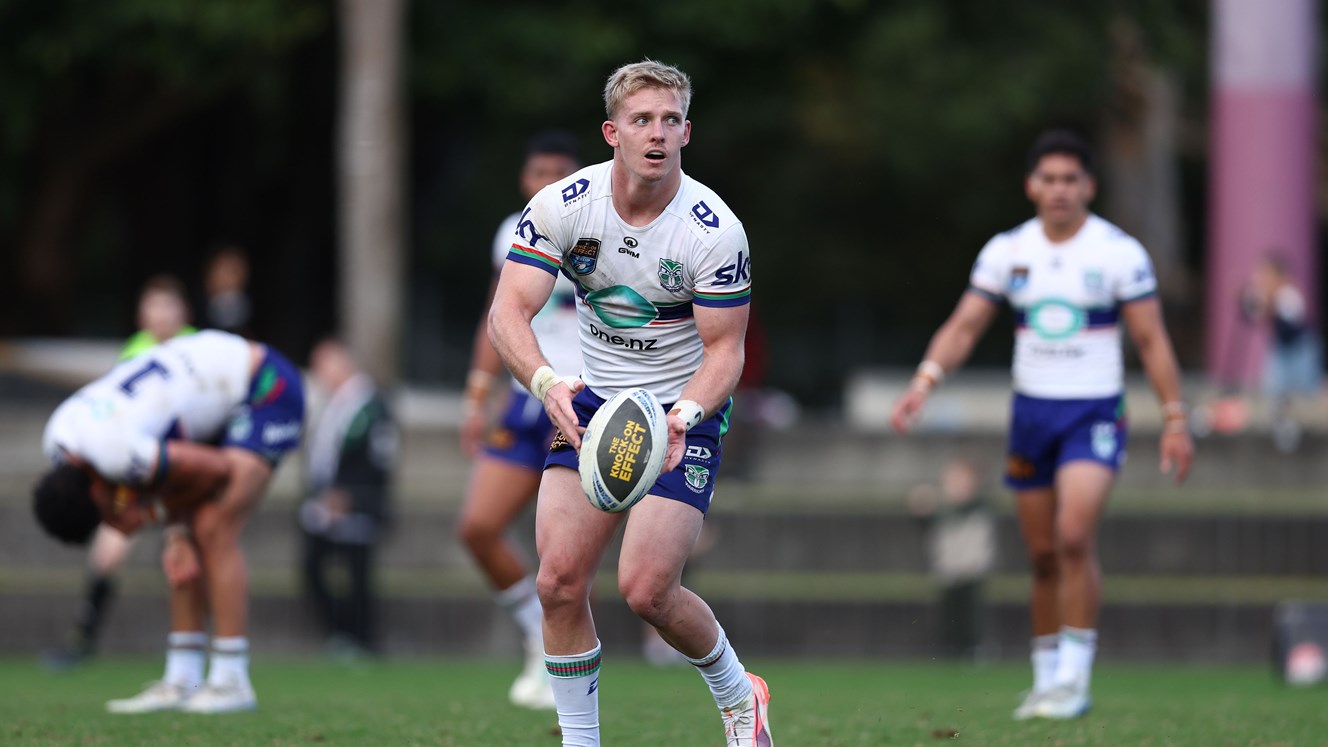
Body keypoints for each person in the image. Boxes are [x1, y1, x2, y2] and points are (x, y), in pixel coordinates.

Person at [488, 60, 771, 746]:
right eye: (642, 120)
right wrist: (548, 383)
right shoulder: (564, 206)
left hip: (682, 412)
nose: (658, 133)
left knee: (647, 590)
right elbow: (507, 313)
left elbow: (726, 352)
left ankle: (740, 694)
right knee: (557, 583)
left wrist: (685, 417)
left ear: (686, 133)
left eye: (671, 120)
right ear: (612, 132)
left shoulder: (714, 230)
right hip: (594, 403)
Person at [891, 130, 1194, 721]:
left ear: (1089, 186)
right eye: (1049, 179)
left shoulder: (1118, 253)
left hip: (1093, 412)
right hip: (1032, 414)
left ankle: (1075, 679)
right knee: (1043, 554)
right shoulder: (1008, 251)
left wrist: (1175, 418)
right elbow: (965, 325)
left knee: (1075, 536)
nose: (1059, 190)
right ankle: (1046, 677)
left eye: (1070, 180)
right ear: (1032, 186)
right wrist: (924, 382)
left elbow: (1152, 339)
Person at [32, 330, 305, 714]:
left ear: (94, 490)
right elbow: (168, 476)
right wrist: (174, 531)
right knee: (182, 538)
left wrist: (153, 514)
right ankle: (183, 678)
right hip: (211, 392)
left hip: (263, 384)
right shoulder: (60, 439)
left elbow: (216, 471)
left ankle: (231, 680)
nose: (114, 518)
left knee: (211, 525)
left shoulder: (116, 453)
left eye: (106, 515)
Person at [456, 130, 581, 709]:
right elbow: (498, 314)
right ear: (524, 178)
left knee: (565, 551)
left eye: (561, 172)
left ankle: (568, 668)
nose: (549, 182)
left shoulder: (602, 226)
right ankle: (538, 635)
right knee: (477, 527)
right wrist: (476, 396)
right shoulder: (514, 230)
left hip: (580, 400)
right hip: (525, 398)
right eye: (539, 172)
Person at [45, 274, 197, 670]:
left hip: (183, 467)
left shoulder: (196, 346)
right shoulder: (135, 351)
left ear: (184, 312)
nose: (162, 314)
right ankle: (83, 638)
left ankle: (198, 647)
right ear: (141, 315)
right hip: (136, 472)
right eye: (154, 306)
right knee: (108, 549)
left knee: (190, 549)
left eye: (169, 305)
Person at [299, 337, 399, 657]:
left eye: (324, 365)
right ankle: (342, 633)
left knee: (357, 573)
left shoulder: (370, 404)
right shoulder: (332, 403)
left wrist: (352, 496)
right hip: (324, 505)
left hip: (357, 506)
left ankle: (362, 639)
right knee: (314, 567)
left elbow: (381, 458)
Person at [907, 457, 996, 660]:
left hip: (971, 568)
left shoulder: (977, 506)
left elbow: (967, 508)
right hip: (948, 569)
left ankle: (973, 646)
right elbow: (926, 524)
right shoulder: (943, 511)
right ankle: (950, 648)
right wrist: (920, 508)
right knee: (949, 612)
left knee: (970, 612)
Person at [1240, 254, 1323, 451]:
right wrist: (1242, 298)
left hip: (1299, 350)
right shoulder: (1265, 296)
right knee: (1274, 393)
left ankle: (1308, 440)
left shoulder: (1289, 295)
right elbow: (1248, 315)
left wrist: (1269, 306)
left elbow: (1289, 330)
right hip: (1279, 350)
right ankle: (1281, 434)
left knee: (1305, 395)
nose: (1262, 280)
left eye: (1266, 275)